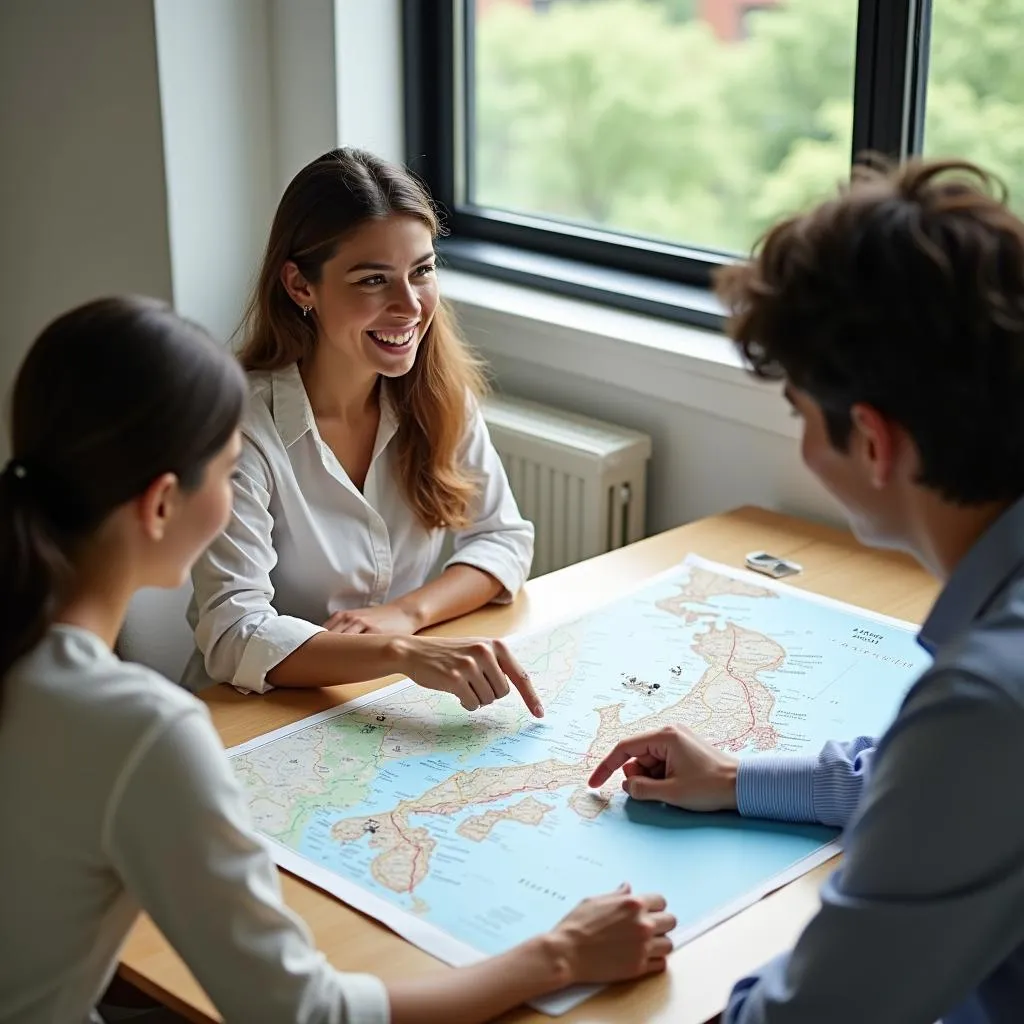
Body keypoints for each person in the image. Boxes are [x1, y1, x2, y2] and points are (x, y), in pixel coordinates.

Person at [0, 297, 675, 1024]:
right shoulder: (140, 730)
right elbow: (302, 1015)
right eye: (228, 474)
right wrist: (560, 954)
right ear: (162, 505)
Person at [588, 158, 1024, 1023]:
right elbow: (957, 798)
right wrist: (738, 778)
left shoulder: (985, 704)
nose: (801, 446)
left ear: (872, 441)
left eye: (796, 411)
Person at [183, 148, 537, 711]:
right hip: (259, 712)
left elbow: (503, 538)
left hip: (388, 699)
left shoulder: (441, 397)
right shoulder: (240, 430)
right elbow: (234, 634)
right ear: (301, 287)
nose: (409, 306)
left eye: (421, 271)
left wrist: (407, 614)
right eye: (373, 280)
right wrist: (399, 652)